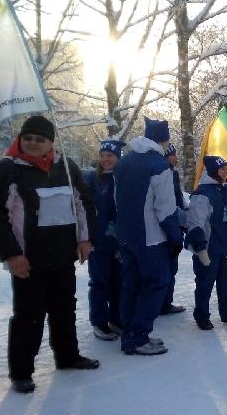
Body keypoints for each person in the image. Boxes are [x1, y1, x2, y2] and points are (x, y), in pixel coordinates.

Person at [0, 115, 100, 394]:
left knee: (64, 309)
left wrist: (86, 239)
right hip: (28, 261)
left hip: (62, 256)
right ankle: (22, 372)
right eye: (28, 138)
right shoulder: (6, 170)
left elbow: (84, 203)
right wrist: (12, 255)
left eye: (40, 139)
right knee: (28, 316)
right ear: (20, 139)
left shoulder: (66, 167)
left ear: (51, 142)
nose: (33, 143)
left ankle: (67, 356)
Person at [114, 117, 184, 355]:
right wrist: (176, 238)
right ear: (164, 141)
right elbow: (165, 210)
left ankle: (129, 334)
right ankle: (139, 336)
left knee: (131, 284)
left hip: (126, 236)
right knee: (156, 283)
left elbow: (117, 200)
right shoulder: (159, 166)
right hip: (151, 238)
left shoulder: (124, 162)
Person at [185, 156, 227, 330]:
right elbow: (195, 222)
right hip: (209, 248)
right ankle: (202, 316)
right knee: (205, 284)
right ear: (213, 171)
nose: (226, 171)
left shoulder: (226, 189)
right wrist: (200, 248)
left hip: (225, 246)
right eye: (222, 169)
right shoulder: (203, 194)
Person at [85, 140, 127, 341]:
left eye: (110, 155)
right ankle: (99, 321)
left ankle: (116, 318)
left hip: (120, 240)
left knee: (119, 282)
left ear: (118, 157)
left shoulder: (124, 179)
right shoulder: (92, 180)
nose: (105, 159)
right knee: (100, 282)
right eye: (102, 155)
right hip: (98, 240)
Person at [160, 143, 186, 315]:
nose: (176, 158)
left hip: (174, 224)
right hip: (167, 226)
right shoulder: (165, 174)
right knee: (165, 267)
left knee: (171, 267)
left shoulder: (173, 174)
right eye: (173, 155)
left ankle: (165, 302)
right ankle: (161, 304)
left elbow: (179, 199)